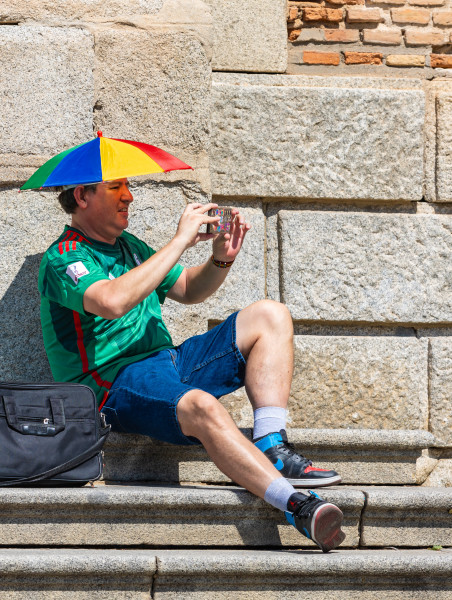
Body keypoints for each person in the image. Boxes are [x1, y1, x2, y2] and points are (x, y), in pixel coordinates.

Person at [38, 177, 345, 552]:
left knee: (271, 314)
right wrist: (180, 240)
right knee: (201, 404)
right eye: (116, 187)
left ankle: (271, 445)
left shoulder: (129, 246)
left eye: (128, 187)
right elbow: (111, 301)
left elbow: (187, 288)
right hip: (115, 383)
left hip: (170, 362)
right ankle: (296, 505)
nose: (129, 196)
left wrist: (221, 258)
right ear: (82, 196)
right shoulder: (64, 257)